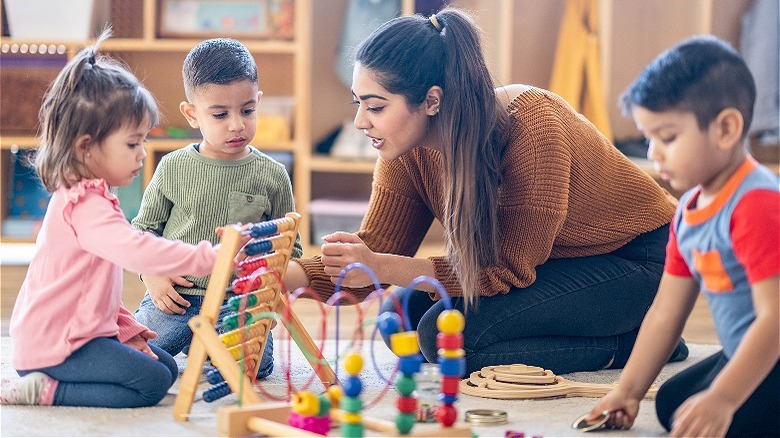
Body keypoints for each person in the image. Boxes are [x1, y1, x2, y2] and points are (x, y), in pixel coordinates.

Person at [284, 8, 687, 375]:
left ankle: (635, 344)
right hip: (554, 261)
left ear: (431, 101)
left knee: (447, 341)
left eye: (375, 107)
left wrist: (382, 266)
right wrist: (289, 276)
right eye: (358, 104)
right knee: (400, 320)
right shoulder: (406, 149)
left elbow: (505, 270)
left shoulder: (533, 130)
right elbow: (375, 249)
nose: (359, 122)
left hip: (642, 261)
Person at [0, 31, 225, 408]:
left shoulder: (95, 193)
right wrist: (209, 258)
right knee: (151, 384)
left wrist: (127, 329)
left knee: (167, 368)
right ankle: (44, 390)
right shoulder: (83, 205)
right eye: (132, 144)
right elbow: (138, 252)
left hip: (80, 333)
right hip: (55, 346)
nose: (141, 155)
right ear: (86, 147)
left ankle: (65, 376)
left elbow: (92, 288)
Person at [587, 36, 779, 437]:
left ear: (726, 128)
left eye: (668, 138)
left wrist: (724, 398)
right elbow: (665, 312)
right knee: (676, 405)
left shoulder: (756, 203)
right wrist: (627, 391)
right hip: (748, 350)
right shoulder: (688, 211)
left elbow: (776, 318)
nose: (654, 153)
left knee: (724, 416)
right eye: (649, 137)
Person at [132, 38, 302, 380]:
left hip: (237, 304)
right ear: (192, 114)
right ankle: (197, 341)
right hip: (176, 298)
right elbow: (141, 232)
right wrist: (152, 275)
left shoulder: (273, 174)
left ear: (259, 103)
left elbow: (291, 249)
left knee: (253, 368)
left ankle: (205, 345)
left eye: (248, 110)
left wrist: (262, 289)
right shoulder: (172, 167)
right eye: (220, 114)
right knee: (134, 355)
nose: (237, 124)